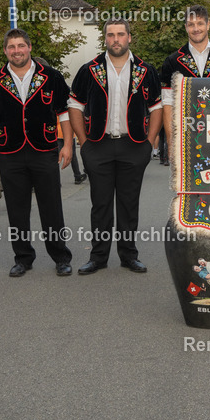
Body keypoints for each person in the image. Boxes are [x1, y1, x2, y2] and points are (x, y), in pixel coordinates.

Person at [70, 18, 163, 274]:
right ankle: (98, 257)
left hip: (133, 146)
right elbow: (75, 106)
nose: (116, 39)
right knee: (100, 205)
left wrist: (149, 143)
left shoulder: (145, 70)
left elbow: (156, 108)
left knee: (128, 204)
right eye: (111, 35)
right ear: (105, 39)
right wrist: (84, 143)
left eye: (120, 34)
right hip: (98, 145)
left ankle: (129, 255)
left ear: (129, 37)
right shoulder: (90, 70)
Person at [0, 28, 74, 277]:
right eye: (11, 47)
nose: (17, 51)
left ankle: (61, 257)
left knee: (51, 206)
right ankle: (23, 258)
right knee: (16, 208)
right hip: (9, 151)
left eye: (21, 46)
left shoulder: (51, 76)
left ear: (29, 47)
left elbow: (63, 112)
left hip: (44, 149)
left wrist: (67, 145)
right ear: (5, 51)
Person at [160, 5, 210, 138]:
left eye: (200, 23)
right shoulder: (172, 62)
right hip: (184, 133)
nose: (196, 29)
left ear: (208, 25)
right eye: (191, 24)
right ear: (186, 27)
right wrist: (171, 142)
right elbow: (168, 104)